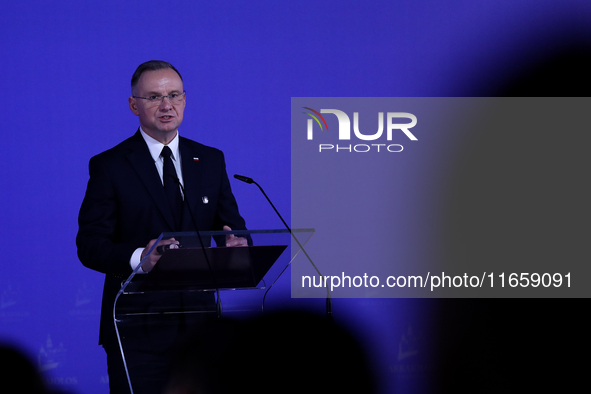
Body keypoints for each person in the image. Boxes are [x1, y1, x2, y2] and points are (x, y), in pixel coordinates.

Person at [76, 60, 248, 394]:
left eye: (174, 95)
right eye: (154, 97)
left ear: (185, 99)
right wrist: (141, 256)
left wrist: (236, 245)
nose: (166, 105)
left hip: (203, 330)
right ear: (133, 105)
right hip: (137, 327)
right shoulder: (110, 165)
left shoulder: (210, 160)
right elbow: (90, 244)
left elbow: (232, 228)